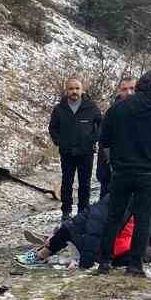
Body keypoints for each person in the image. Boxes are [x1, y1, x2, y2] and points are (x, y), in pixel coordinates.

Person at [96, 69, 151, 276]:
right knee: (144, 220)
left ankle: (104, 262)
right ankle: (135, 265)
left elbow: (105, 141)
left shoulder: (118, 108)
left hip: (122, 171)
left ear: (140, 84)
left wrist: (112, 163)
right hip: (150, 175)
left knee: (114, 216)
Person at [17, 197, 135, 270]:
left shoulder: (126, 204)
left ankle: (49, 250)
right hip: (110, 244)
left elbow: (95, 234)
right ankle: (44, 251)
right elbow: (83, 223)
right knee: (67, 230)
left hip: (114, 250)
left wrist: (85, 264)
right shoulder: (110, 202)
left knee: (69, 232)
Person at [48, 78, 101, 219]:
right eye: (71, 89)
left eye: (77, 88)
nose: (74, 92)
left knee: (85, 184)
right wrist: (60, 142)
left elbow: (101, 125)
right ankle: (66, 211)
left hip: (86, 153)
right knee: (67, 182)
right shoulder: (59, 109)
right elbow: (52, 128)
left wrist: (93, 139)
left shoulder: (91, 107)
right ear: (66, 91)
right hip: (67, 153)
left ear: (82, 90)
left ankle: (83, 211)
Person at [96, 75, 137, 199]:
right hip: (112, 167)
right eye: (124, 89)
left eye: (132, 88)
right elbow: (103, 140)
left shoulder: (145, 111)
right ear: (120, 90)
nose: (129, 92)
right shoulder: (112, 112)